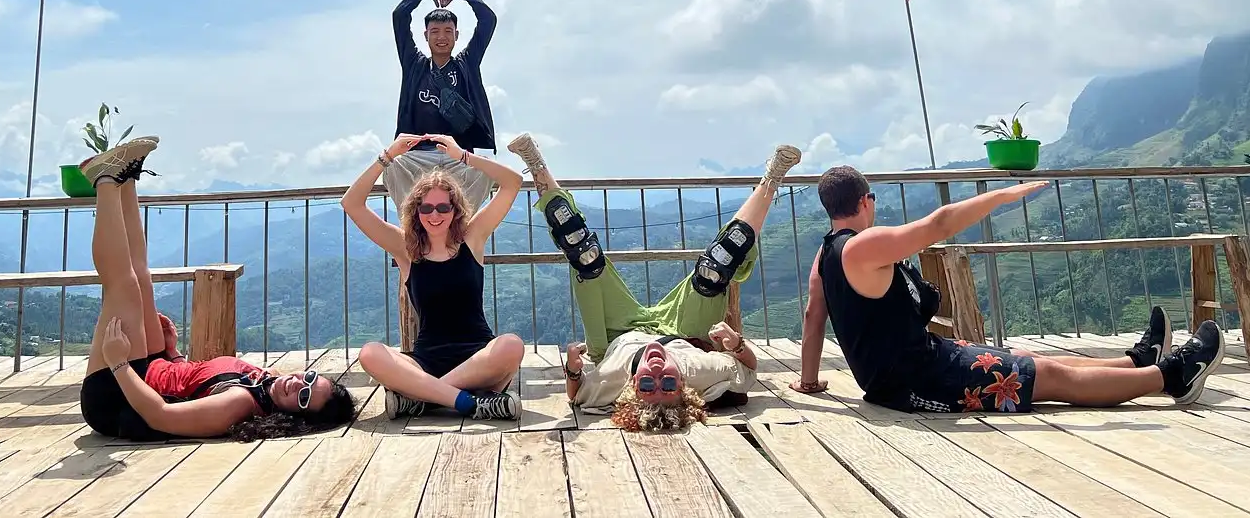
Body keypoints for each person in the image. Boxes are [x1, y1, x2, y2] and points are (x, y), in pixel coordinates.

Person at [792, 164, 1225, 413]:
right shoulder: (862, 247)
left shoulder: (824, 255)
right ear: (864, 200)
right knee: (1051, 378)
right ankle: (1171, 377)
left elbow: (814, 318)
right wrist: (1000, 197)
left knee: (1028, 359)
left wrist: (808, 382)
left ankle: (1135, 362)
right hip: (919, 379)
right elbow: (937, 224)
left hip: (914, 366)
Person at [508, 133, 801, 432]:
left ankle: (536, 165)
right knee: (718, 264)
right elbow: (748, 370)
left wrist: (572, 369)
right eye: (669, 383)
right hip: (682, 330)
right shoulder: (700, 372)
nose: (657, 373)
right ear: (683, 385)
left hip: (615, 333)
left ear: (632, 385)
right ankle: (772, 179)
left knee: (581, 249)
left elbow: (577, 394)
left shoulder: (611, 382)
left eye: (647, 385)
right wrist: (737, 345)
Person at [76, 137, 356, 442]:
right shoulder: (263, 382)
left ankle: (105, 179)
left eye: (303, 397)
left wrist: (118, 361)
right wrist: (174, 354)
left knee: (124, 286)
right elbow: (196, 388)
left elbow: (161, 414)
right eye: (310, 379)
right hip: (154, 371)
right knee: (142, 277)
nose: (297, 384)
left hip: (116, 396)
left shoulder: (239, 404)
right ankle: (126, 178)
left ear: (294, 416)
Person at [342, 132, 526, 420]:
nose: (435, 215)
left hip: (479, 357)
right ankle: (470, 401)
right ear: (416, 211)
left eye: (443, 207)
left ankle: (425, 398)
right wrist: (388, 156)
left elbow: (512, 182)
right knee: (370, 353)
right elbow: (351, 203)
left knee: (511, 345)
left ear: (455, 210)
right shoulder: (405, 248)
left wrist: (462, 156)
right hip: (425, 361)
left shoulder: (472, 239)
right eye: (426, 207)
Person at [387, 0, 499, 211]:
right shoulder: (414, 65)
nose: (441, 37)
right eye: (435, 31)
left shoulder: (467, 64)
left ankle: (461, 223)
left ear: (456, 35)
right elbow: (399, 16)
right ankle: (413, 223)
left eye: (448, 31)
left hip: (458, 154)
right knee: (391, 166)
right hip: (419, 154)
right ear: (425, 35)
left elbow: (488, 19)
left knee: (486, 169)